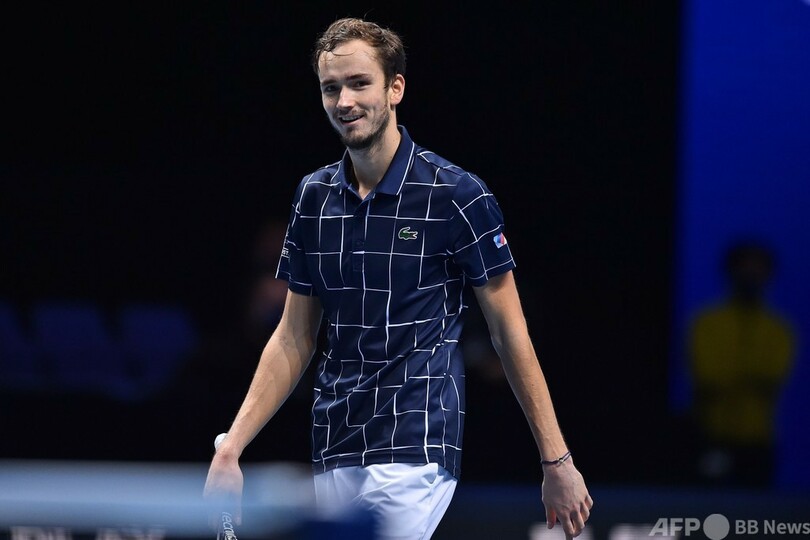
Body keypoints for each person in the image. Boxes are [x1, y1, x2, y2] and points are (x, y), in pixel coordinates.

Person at [204, 17, 592, 539]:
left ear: (395, 88)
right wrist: (231, 448)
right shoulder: (313, 198)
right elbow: (294, 336)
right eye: (331, 88)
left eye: (359, 83)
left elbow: (509, 332)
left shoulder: (456, 195)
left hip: (417, 446)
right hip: (334, 445)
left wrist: (556, 460)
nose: (344, 101)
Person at [688, 240, 795, 487]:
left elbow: (771, 380)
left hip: (758, 440)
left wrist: (735, 374)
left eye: (757, 270)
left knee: (756, 504)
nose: (750, 276)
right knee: (709, 503)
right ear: (730, 272)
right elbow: (708, 377)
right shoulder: (707, 323)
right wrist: (747, 376)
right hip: (713, 436)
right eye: (744, 269)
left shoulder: (779, 329)